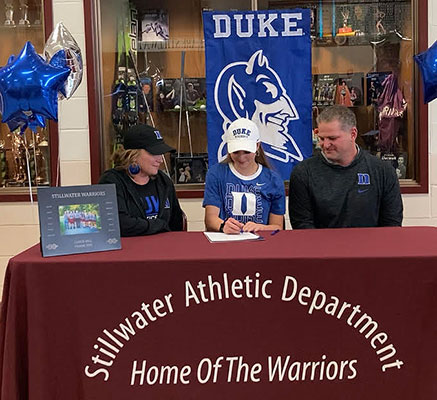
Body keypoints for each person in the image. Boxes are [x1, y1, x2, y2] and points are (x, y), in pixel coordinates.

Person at [289, 105, 403, 229]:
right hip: (321, 247)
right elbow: (302, 226)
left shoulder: (383, 172)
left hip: (371, 246)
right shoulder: (303, 173)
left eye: (332, 138)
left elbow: (392, 225)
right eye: (321, 138)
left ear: (353, 134)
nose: (326, 145)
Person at [99, 124, 184, 236]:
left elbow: (176, 222)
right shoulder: (112, 181)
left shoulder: (164, 181)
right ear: (133, 155)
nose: (160, 160)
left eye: (161, 154)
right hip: (129, 251)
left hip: (162, 249)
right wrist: (158, 225)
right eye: (154, 153)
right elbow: (119, 224)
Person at [203, 118, 285, 234]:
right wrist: (223, 226)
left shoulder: (273, 180)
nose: (241, 158)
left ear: (257, 146)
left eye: (247, 152)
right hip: (225, 242)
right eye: (236, 152)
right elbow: (210, 219)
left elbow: (277, 226)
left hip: (261, 243)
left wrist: (261, 227)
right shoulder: (216, 174)